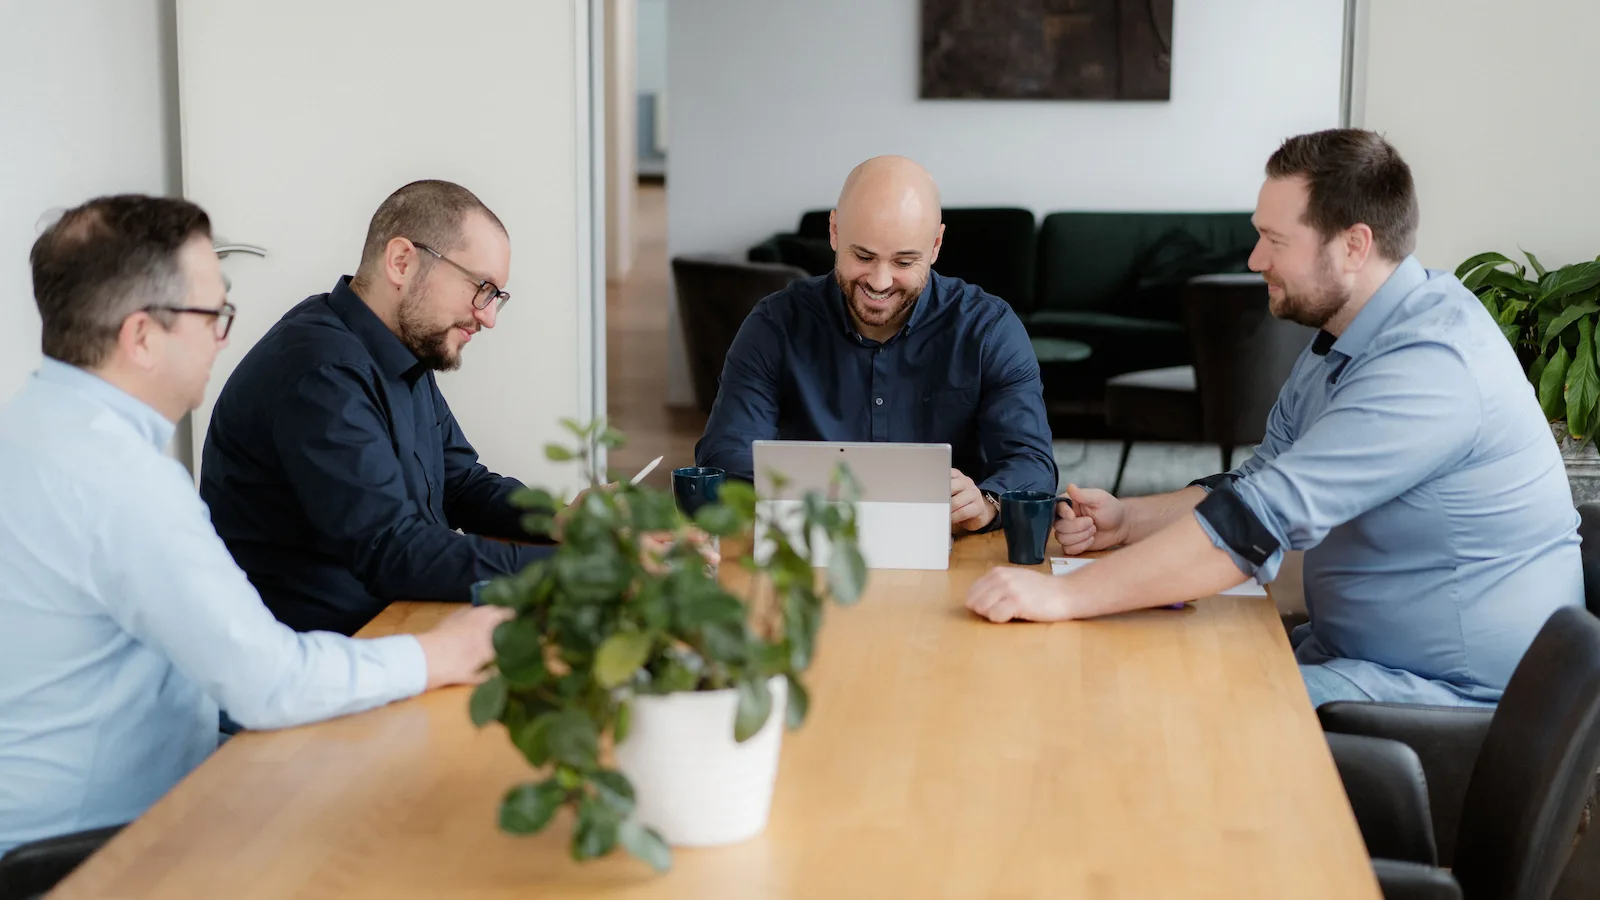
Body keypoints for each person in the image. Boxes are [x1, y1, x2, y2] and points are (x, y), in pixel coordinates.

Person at [965, 129, 1582, 708]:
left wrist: (1064, 594)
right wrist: (1130, 521)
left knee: (1162, 702)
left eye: (1275, 241)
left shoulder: (1432, 366)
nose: (1255, 258)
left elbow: (1258, 522)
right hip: (1352, 654)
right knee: (1140, 662)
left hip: (1451, 695)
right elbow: (1254, 484)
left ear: (1353, 246)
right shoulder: (1342, 340)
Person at [0, 195, 509, 856]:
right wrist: (442, 652)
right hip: (100, 846)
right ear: (141, 336)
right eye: (213, 315)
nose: (223, 336)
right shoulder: (121, 479)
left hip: (116, 792)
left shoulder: (32, 428)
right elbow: (268, 683)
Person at [200, 181, 554, 636]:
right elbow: (392, 551)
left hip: (390, 627)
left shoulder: (400, 344)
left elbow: (461, 483)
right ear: (402, 262)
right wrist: (576, 567)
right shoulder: (321, 372)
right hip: (322, 664)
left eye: (495, 297)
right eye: (481, 288)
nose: (488, 316)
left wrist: (566, 523)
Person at [695, 156, 1057, 532]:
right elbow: (724, 453)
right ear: (834, 231)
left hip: (949, 546)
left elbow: (1031, 462)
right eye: (864, 256)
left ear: (935, 245)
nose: (881, 282)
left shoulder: (988, 329)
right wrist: (788, 497)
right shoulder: (775, 324)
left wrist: (986, 502)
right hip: (807, 541)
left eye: (904, 262)